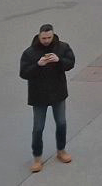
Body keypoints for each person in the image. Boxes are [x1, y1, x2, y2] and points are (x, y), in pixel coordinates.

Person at [20, 24, 75, 173]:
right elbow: (23, 73)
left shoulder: (62, 47)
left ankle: (61, 151)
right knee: (38, 128)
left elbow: (71, 63)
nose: (46, 40)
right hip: (39, 96)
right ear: (39, 36)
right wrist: (38, 64)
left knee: (61, 123)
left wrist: (59, 60)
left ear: (53, 35)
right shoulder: (30, 53)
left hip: (58, 93)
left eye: (49, 37)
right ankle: (37, 158)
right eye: (43, 38)